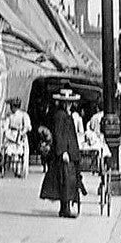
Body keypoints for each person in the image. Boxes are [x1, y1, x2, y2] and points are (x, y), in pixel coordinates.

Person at [39, 88, 82, 218]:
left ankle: (65, 207)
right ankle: (66, 208)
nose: (69, 104)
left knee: (68, 180)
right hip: (65, 153)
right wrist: (63, 151)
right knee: (66, 180)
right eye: (67, 102)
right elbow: (59, 135)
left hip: (70, 151)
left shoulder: (66, 115)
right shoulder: (60, 116)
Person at [2, 97, 32, 177]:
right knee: (9, 149)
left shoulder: (23, 115)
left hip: (20, 134)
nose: (12, 108)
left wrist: (22, 133)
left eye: (13, 106)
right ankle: (12, 168)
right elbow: (6, 126)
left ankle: (20, 170)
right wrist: (7, 133)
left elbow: (27, 126)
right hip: (11, 135)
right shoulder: (9, 115)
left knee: (21, 151)